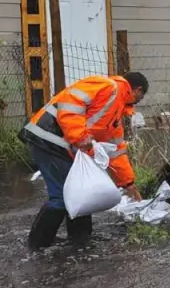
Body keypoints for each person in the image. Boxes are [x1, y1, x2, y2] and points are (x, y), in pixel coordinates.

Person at [21, 72, 148, 251]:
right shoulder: (109, 87)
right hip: (48, 140)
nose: (138, 102)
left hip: (59, 145)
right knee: (60, 198)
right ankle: (37, 246)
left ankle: (79, 242)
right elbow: (70, 104)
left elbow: (116, 152)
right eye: (141, 97)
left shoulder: (115, 115)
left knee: (81, 193)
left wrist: (128, 183)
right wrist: (79, 136)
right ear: (137, 90)